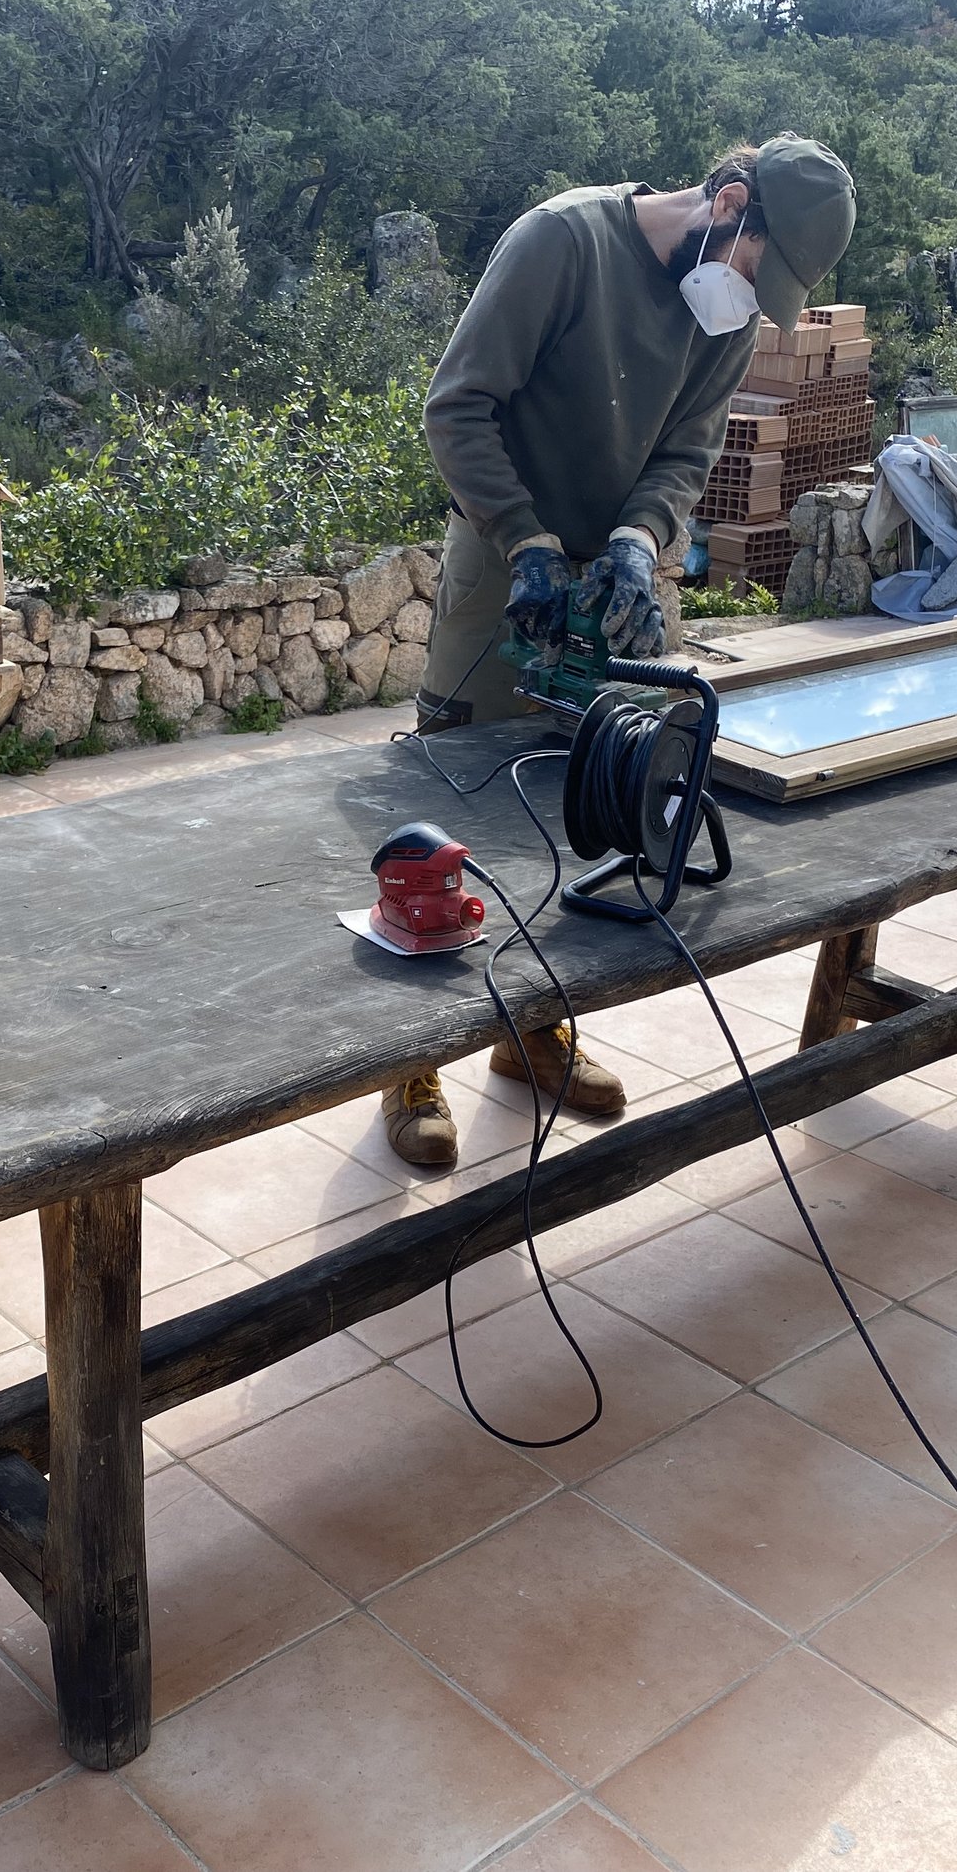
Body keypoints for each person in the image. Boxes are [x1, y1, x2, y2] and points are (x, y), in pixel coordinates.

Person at [381, 134, 857, 1168]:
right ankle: (410, 1064)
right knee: (450, 806)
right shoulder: (563, 242)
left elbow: (689, 450)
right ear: (728, 202)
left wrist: (641, 540)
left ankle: (537, 1030)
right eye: (756, 269)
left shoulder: (721, 312)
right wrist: (526, 541)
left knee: (591, 801)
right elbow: (457, 408)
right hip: (504, 557)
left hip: (618, 578)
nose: (749, 298)